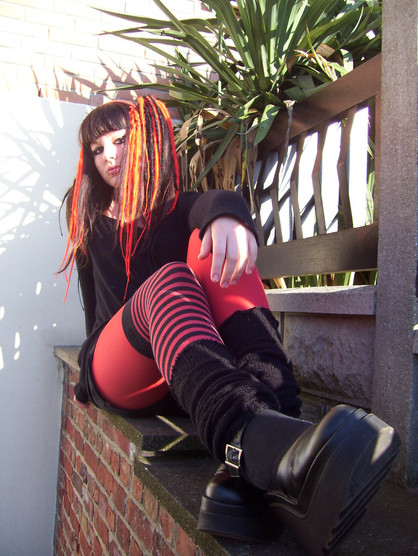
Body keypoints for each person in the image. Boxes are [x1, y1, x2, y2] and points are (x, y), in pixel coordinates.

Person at [59, 96, 400, 555]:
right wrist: (85, 380)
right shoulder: (89, 218)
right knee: (171, 279)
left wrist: (226, 217)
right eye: (97, 149)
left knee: (216, 242)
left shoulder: (175, 208)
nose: (109, 157)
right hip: (117, 364)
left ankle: (276, 432)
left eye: (120, 141)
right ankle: (257, 443)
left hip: (183, 372)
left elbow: (212, 201)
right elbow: (92, 306)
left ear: (146, 143)